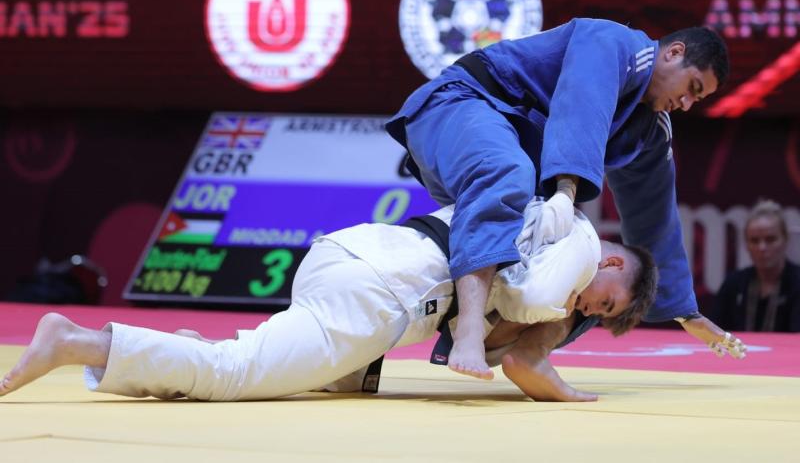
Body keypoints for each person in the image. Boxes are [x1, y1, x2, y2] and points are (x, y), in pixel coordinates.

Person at [0, 198, 657, 402]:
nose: (584, 312)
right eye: (602, 304)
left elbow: (504, 332)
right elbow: (521, 352)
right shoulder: (573, 242)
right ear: (610, 261)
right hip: (380, 291)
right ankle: (76, 342)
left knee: (312, 377)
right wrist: (574, 392)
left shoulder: (535, 220)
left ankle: (173, 354)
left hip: (353, 255)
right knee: (234, 376)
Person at [386, 17, 746, 378]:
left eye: (697, 99)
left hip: (508, 160)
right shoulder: (613, 41)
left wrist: (684, 311)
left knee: (564, 265)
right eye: (691, 87)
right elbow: (582, 106)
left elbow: (655, 215)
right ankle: (469, 329)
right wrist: (565, 191)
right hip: (460, 104)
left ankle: (519, 352)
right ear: (674, 53)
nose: (686, 104)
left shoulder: (651, 129)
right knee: (510, 172)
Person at [713, 200, 800, 332]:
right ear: (746, 244)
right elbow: (713, 332)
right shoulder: (733, 284)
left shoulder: (797, 282)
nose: (762, 248)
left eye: (770, 239)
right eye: (754, 241)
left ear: (785, 239)